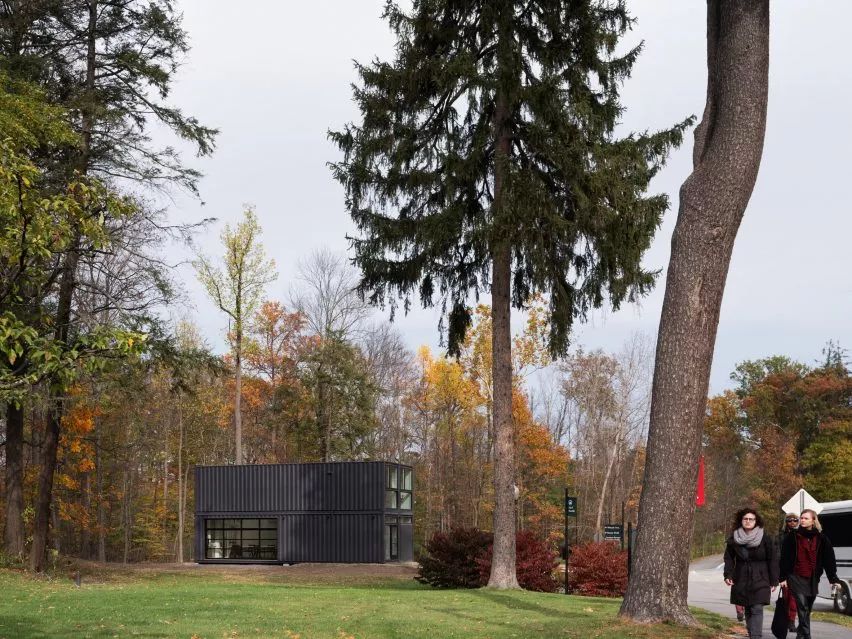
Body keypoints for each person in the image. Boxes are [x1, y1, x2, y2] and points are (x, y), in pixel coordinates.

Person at [779, 509, 840, 639]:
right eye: (801, 518)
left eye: (806, 518)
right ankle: (807, 636)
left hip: (812, 578)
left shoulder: (821, 538)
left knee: (807, 608)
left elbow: (829, 559)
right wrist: (782, 577)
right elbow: (784, 558)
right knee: (802, 606)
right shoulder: (792, 536)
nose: (802, 520)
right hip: (795, 576)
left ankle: (800, 635)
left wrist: (833, 578)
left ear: (813, 521)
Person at [724, 508, 779, 639]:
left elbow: (773, 559)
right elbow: (729, 558)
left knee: (757, 608)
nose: (748, 521)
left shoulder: (765, 538)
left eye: (751, 519)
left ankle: (756, 636)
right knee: (748, 608)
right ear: (741, 520)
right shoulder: (734, 538)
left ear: (756, 521)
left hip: (761, 577)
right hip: (741, 577)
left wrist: (774, 580)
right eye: (745, 519)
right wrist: (728, 575)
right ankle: (752, 634)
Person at [778, 513, 799, 632]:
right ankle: (786, 619)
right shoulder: (781, 536)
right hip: (785, 572)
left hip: (798, 572)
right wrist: (779, 575)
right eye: (789, 520)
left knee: (794, 598)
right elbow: (777, 554)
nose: (792, 522)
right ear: (785, 522)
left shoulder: (801, 535)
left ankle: (792, 621)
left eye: (795, 520)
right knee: (786, 597)